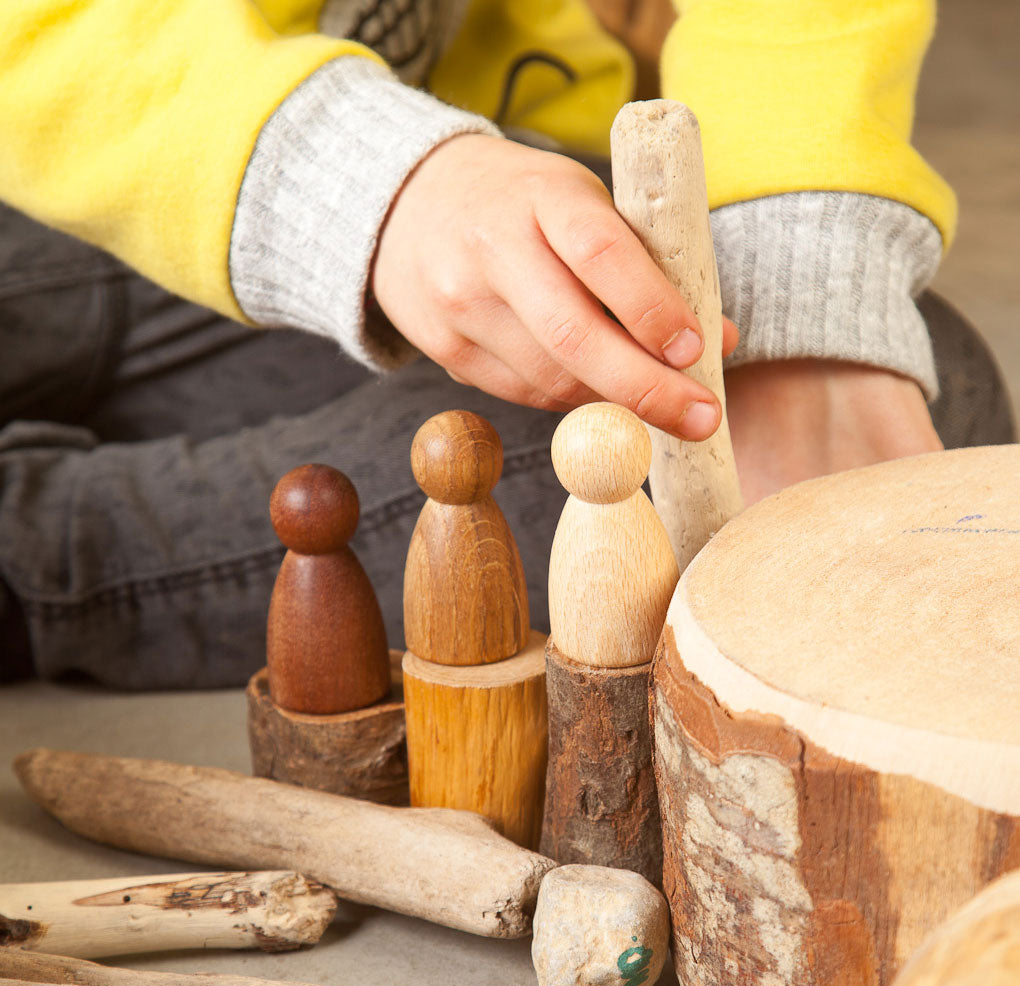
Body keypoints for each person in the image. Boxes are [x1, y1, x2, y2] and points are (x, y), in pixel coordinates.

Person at [0, 1, 1012, 688]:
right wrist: (357, 182)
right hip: (93, 126)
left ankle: (40, 553)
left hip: (463, 145)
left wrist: (798, 267)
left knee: (926, 389)